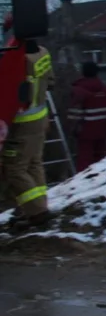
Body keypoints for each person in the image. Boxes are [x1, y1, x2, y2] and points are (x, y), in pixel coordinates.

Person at [2, 36, 54, 228]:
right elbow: (50, 81)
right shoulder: (42, 53)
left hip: (21, 123)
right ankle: (37, 207)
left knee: (14, 168)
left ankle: (37, 212)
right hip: (40, 116)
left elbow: (8, 90)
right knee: (33, 164)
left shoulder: (16, 60)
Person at [68, 61, 106, 172]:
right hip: (102, 129)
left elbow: (74, 113)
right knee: (100, 158)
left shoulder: (79, 90)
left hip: (85, 131)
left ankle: (83, 184)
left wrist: (73, 129)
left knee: (84, 160)